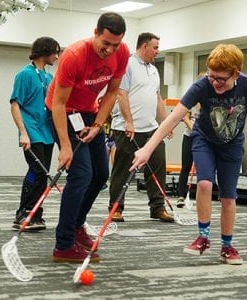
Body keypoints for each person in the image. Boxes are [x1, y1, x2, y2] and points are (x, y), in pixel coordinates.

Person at [132, 43, 247, 265]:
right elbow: (173, 118)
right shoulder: (202, 85)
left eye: (220, 79)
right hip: (204, 140)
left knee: (228, 197)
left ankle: (227, 245)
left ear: (236, 74)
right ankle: (203, 237)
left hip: (232, 146)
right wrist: (147, 148)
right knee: (204, 184)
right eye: (212, 76)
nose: (214, 82)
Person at [47, 12, 131, 264]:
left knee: (101, 174)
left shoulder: (122, 52)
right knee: (81, 173)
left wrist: (97, 125)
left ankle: (76, 225)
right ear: (96, 33)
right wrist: (65, 146)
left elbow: (112, 92)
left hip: (89, 113)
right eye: (105, 43)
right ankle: (63, 244)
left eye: (115, 45)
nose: (109, 50)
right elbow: (58, 104)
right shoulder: (74, 56)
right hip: (62, 112)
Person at [108, 32, 174, 223]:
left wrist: (165, 123)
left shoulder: (153, 70)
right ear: (144, 46)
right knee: (123, 170)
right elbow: (121, 94)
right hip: (126, 128)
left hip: (151, 129)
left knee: (157, 166)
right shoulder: (127, 65)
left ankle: (157, 208)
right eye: (155, 47)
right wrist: (129, 121)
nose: (157, 51)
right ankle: (116, 208)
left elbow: (157, 98)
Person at [10, 36, 60, 230]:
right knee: (36, 171)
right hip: (31, 131)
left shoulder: (49, 77)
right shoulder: (24, 74)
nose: (57, 57)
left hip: (47, 132)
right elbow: (15, 105)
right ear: (45, 51)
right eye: (55, 52)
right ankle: (24, 213)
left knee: (42, 173)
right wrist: (23, 132)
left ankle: (36, 213)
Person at [175, 103, 199, 208]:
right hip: (189, 137)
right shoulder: (192, 101)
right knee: (185, 166)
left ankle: (201, 196)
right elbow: (185, 118)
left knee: (203, 168)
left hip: (203, 139)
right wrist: (196, 131)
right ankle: (181, 196)